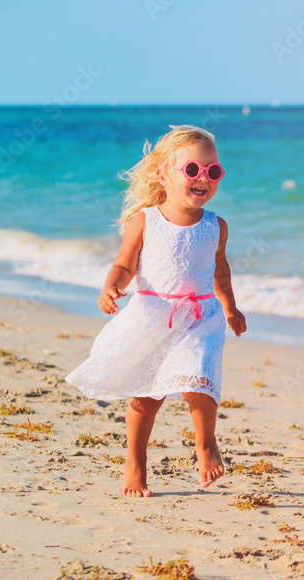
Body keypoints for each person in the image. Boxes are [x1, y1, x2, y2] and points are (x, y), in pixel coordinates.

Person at [66, 124, 246, 497]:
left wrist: (230, 308)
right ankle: (135, 462)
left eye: (213, 172)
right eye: (193, 170)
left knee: (200, 381)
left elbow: (220, 272)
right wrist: (112, 285)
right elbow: (125, 263)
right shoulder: (146, 219)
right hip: (154, 317)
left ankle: (206, 443)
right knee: (146, 400)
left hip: (199, 319)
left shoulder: (216, 226)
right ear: (164, 173)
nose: (204, 179)